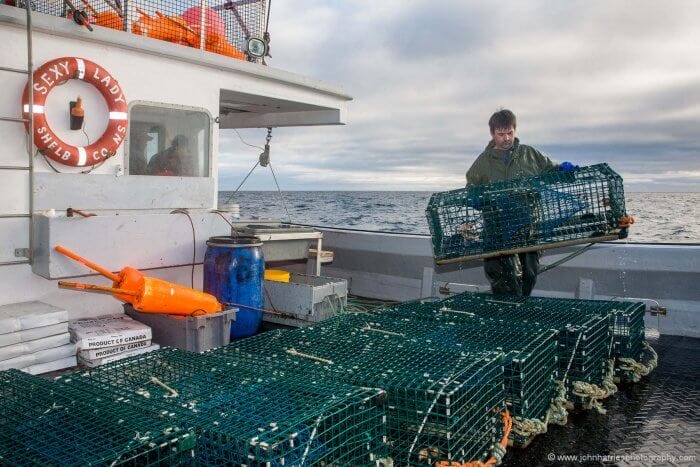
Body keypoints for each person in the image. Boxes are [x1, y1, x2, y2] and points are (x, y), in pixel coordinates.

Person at [466, 109, 575, 297]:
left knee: (529, 276)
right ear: (492, 134)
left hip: (528, 227)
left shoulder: (530, 154)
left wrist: (565, 171)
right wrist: (475, 199)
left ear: (515, 130)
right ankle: (505, 313)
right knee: (501, 278)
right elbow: (470, 189)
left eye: (510, 132)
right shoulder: (483, 162)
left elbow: (552, 172)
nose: (506, 138)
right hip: (496, 230)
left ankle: (519, 308)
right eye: (501, 134)